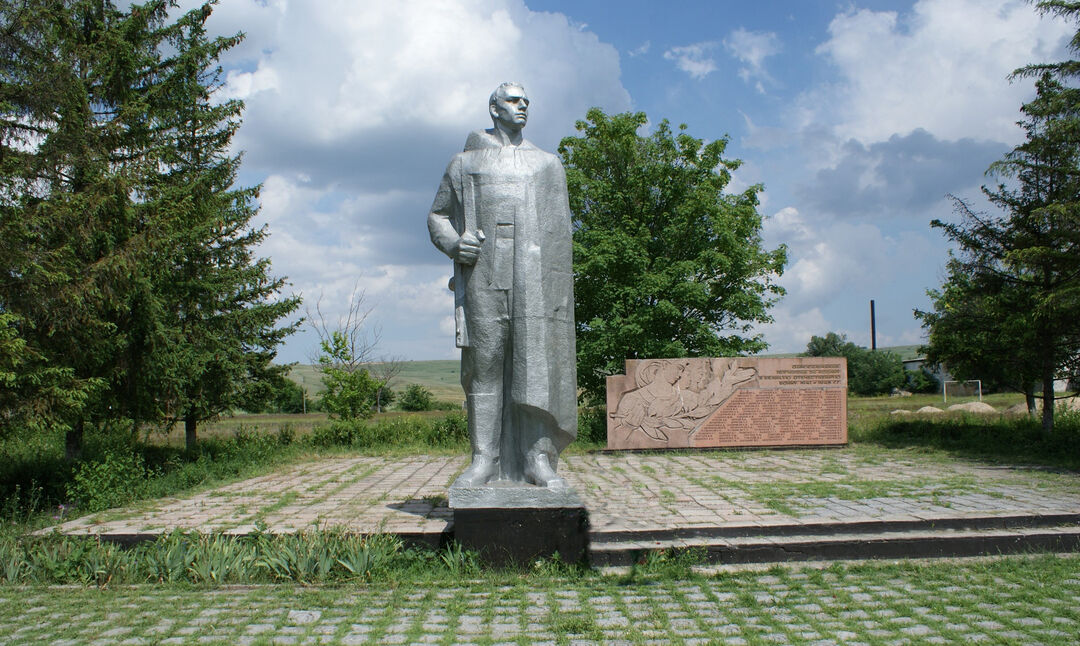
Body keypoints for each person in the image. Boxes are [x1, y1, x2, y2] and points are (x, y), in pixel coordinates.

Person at [428, 82, 577, 488]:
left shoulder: (547, 164)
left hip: (534, 280)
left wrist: (559, 294)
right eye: (513, 100)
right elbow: (437, 216)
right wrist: (455, 243)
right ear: (494, 109)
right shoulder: (464, 163)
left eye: (526, 100)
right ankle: (484, 460)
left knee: (534, 370)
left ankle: (537, 459)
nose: (523, 105)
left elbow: (561, 234)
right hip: (484, 275)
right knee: (486, 366)